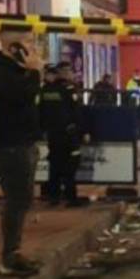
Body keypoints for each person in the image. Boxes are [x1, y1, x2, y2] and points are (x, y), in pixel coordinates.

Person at [0, 29, 43, 277]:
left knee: (22, 199)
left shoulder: (14, 69)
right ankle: (9, 256)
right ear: (14, 46)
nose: (33, 47)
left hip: (22, 141)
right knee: (17, 199)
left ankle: (14, 252)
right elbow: (19, 96)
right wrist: (34, 72)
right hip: (9, 143)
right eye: (29, 42)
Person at [40, 62, 88, 207]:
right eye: (66, 70)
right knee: (71, 164)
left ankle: (53, 196)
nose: (69, 73)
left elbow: (41, 111)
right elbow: (76, 112)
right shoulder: (68, 89)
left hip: (53, 133)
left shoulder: (46, 90)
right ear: (60, 73)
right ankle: (71, 197)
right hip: (68, 133)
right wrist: (84, 131)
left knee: (55, 164)